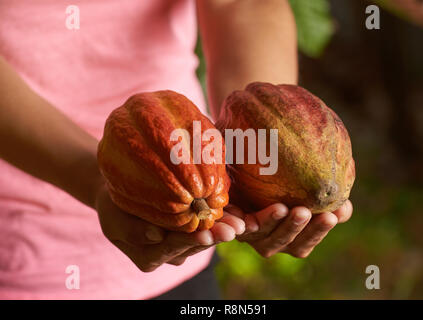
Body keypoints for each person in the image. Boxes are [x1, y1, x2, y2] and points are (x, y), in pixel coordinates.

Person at [0, 0, 352, 299]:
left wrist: (259, 161)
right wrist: (97, 180)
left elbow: (241, 4)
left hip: (190, 237)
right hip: (18, 260)